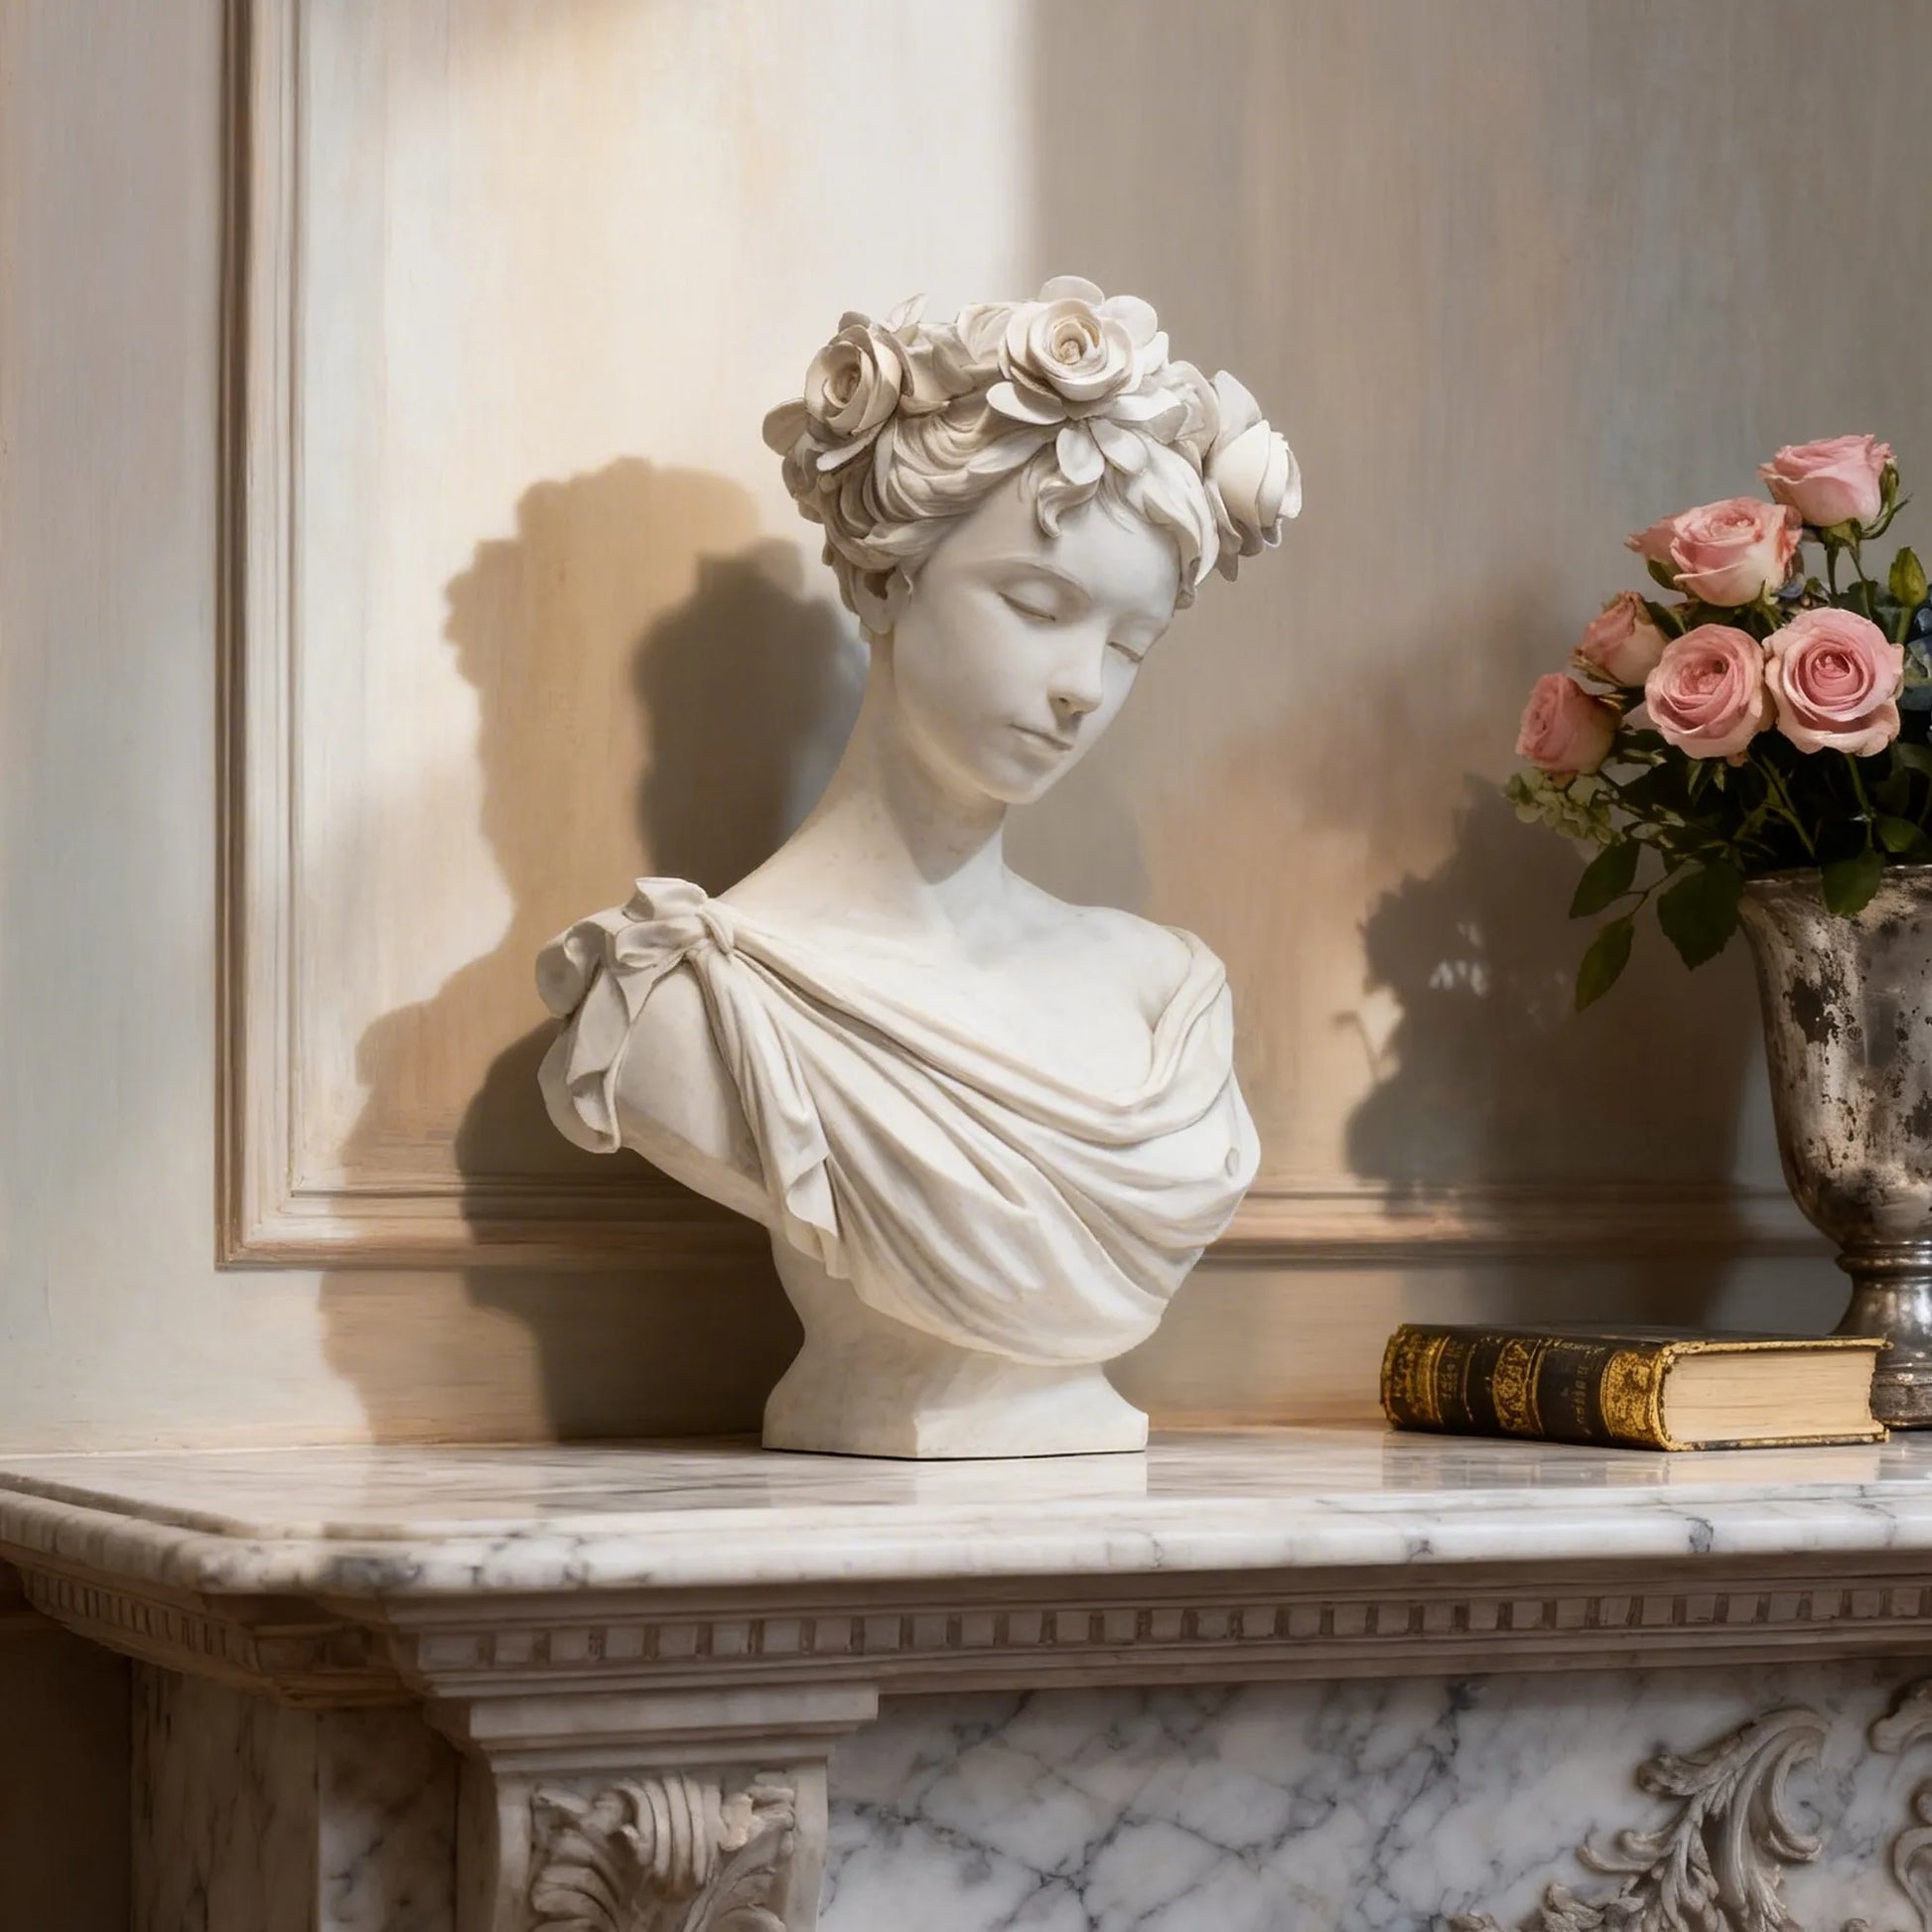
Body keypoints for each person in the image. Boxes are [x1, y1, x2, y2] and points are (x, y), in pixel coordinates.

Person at [538, 278, 1298, 1455]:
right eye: (1037, 604)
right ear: (887, 574)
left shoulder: (1161, 995)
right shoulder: (688, 1005)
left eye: (1128, 644)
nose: (1081, 687)